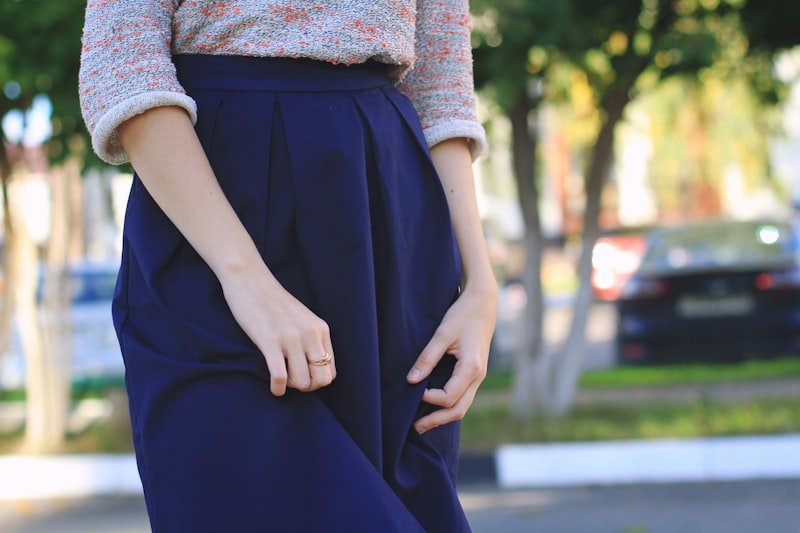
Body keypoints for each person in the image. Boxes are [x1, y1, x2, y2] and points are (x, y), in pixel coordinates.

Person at [78, 1, 498, 531]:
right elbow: (124, 70)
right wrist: (245, 279)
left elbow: (440, 92)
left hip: (387, 233)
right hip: (209, 229)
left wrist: (480, 287)